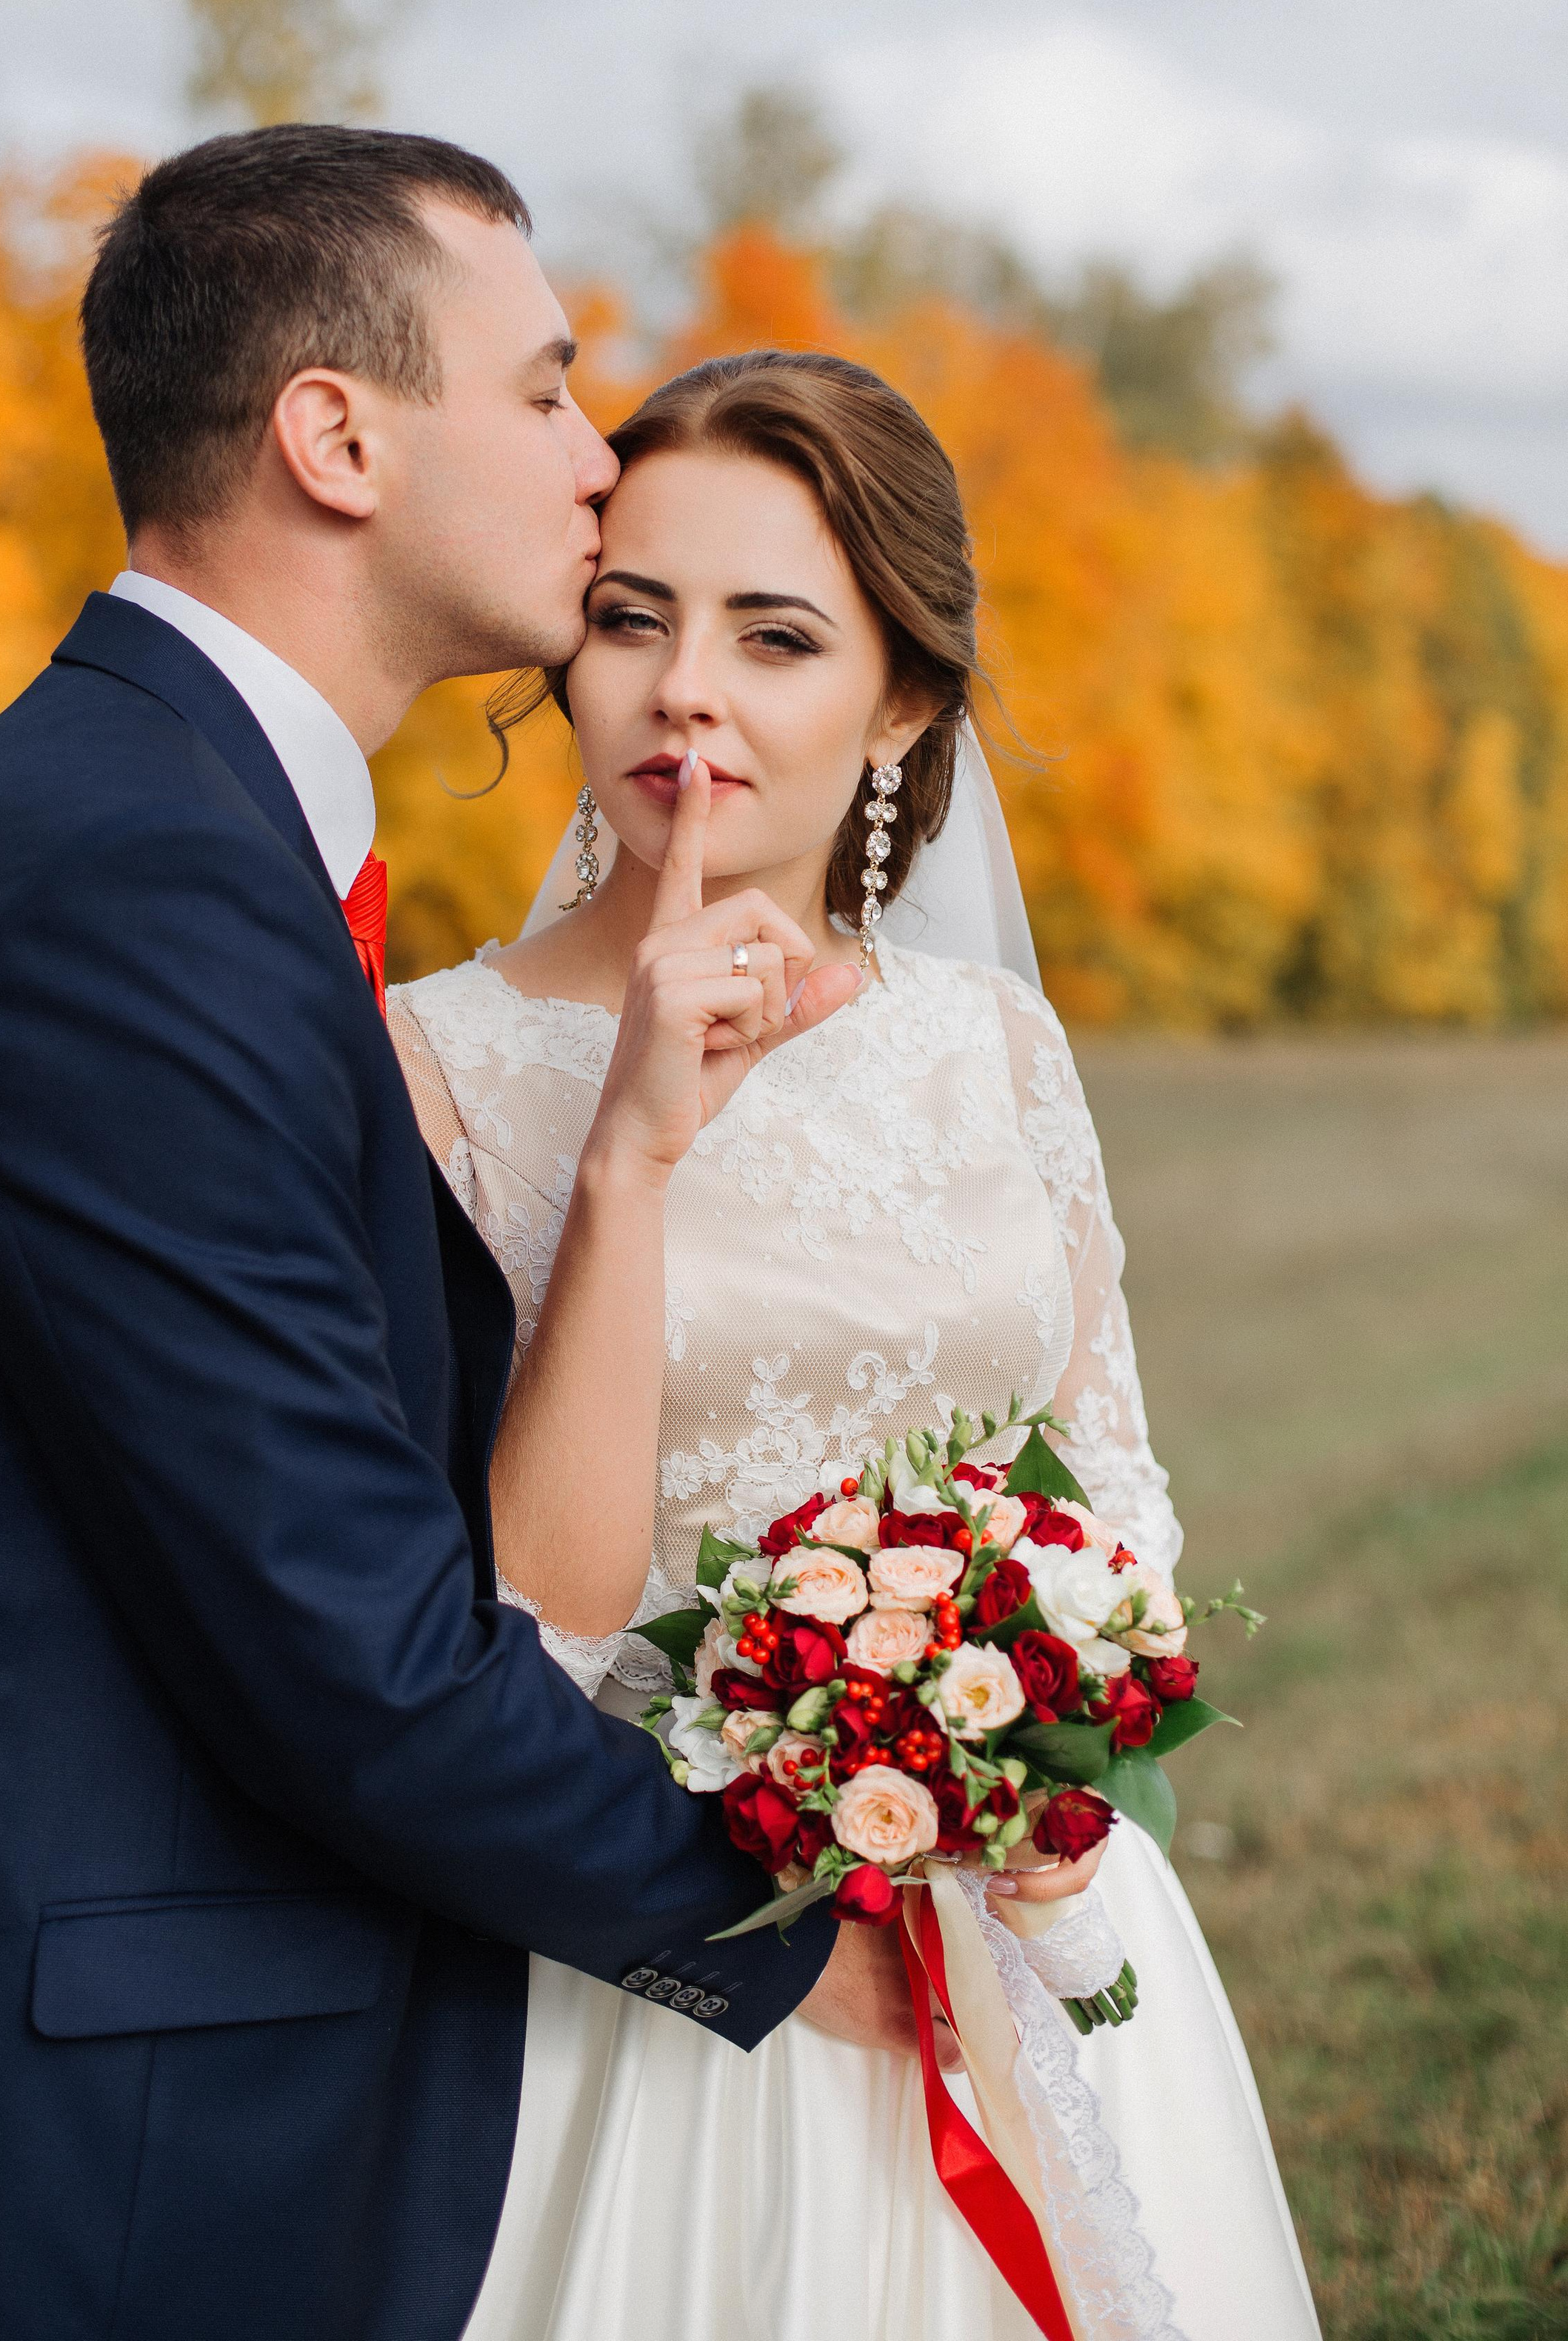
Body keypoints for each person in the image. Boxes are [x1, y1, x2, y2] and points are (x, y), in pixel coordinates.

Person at [0, 131, 912, 2341]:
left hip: (91, 2064)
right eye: (540, 389)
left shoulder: (161, 832)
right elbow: (344, 1644)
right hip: (70, 2134)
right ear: (333, 436)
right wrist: (794, 1935)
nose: (597, 457)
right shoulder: (134, 892)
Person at [389, 350, 1323, 2341]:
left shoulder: (988, 1044)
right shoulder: (434, 1070)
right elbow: (528, 1609)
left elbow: (1116, 1493)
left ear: (900, 695)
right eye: (630, 618)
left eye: (776, 635)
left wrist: (1030, 1741)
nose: (685, 690)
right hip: (662, 1969)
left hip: (1023, 1897)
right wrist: (628, 1158)